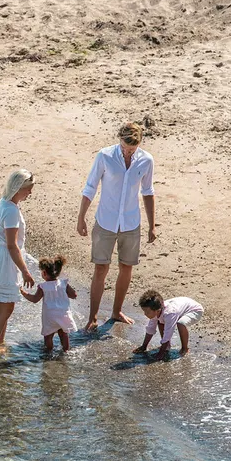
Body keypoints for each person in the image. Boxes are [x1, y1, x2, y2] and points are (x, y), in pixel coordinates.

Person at [77, 121, 156, 330]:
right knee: (101, 268)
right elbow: (90, 187)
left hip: (131, 222)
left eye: (132, 148)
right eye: (124, 146)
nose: (127, 151)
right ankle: (92, 317)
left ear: (139, 143)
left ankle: (116, 311)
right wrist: (81, 217)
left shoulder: (146, 160)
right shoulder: (105, 156)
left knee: (126, 267)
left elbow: (148, 192)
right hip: (106, 221)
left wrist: (152, 225)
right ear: (119, 139)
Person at [0, 169, 35, 350]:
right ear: (18, 188)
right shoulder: (11, 211)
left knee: (5, 308)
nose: (30, 193)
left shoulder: (4, 203)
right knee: (5, 309)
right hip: (5, 260)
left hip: (0, 256)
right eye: (28, 189)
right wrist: (25, 271)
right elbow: (12, 245)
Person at [19, 254, 78, 351]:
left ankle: (48, 352)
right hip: (63, 314)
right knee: (63, 334)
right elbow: (74, 295)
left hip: (50, 316)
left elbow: (34, 299)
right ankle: (66, 351)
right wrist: (63, 293)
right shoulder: (63, 284)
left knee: (48, 336)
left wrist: (23, 293)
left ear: (44, 273)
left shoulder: (43, 286)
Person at [134, 290, 204, 357]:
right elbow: (150, 329)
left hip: (195, 310)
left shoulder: (170, 313)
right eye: (144, 311)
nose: (145, 314)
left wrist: (161, 353)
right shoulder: (156, 310)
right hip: (181, 307)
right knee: (160, 321)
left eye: (147, 312)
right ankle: (167, 347)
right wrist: (144, 346)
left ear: (157, 310)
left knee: (181, 323)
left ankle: (184, 349)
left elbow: (168, 333)